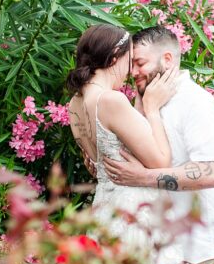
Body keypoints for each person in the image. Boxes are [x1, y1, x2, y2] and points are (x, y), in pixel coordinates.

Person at [102, 26, 214, 264]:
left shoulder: (197, 103)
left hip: (198, 255)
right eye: (131, 65)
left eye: (139, 63)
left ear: (168, 60)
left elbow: (211, 173)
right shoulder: (150, 102)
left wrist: (143, 178)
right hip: (158, 252)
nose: (133, 73)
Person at [65, 24, 179, 250]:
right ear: (115, 57)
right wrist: (152, 109)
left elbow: (102, 160)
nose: (131, 72)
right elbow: (160, 161)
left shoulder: (74, 105)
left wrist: (136, 107)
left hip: (104, 211)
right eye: (130, 61)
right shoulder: (111, 100)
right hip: (133, 212)